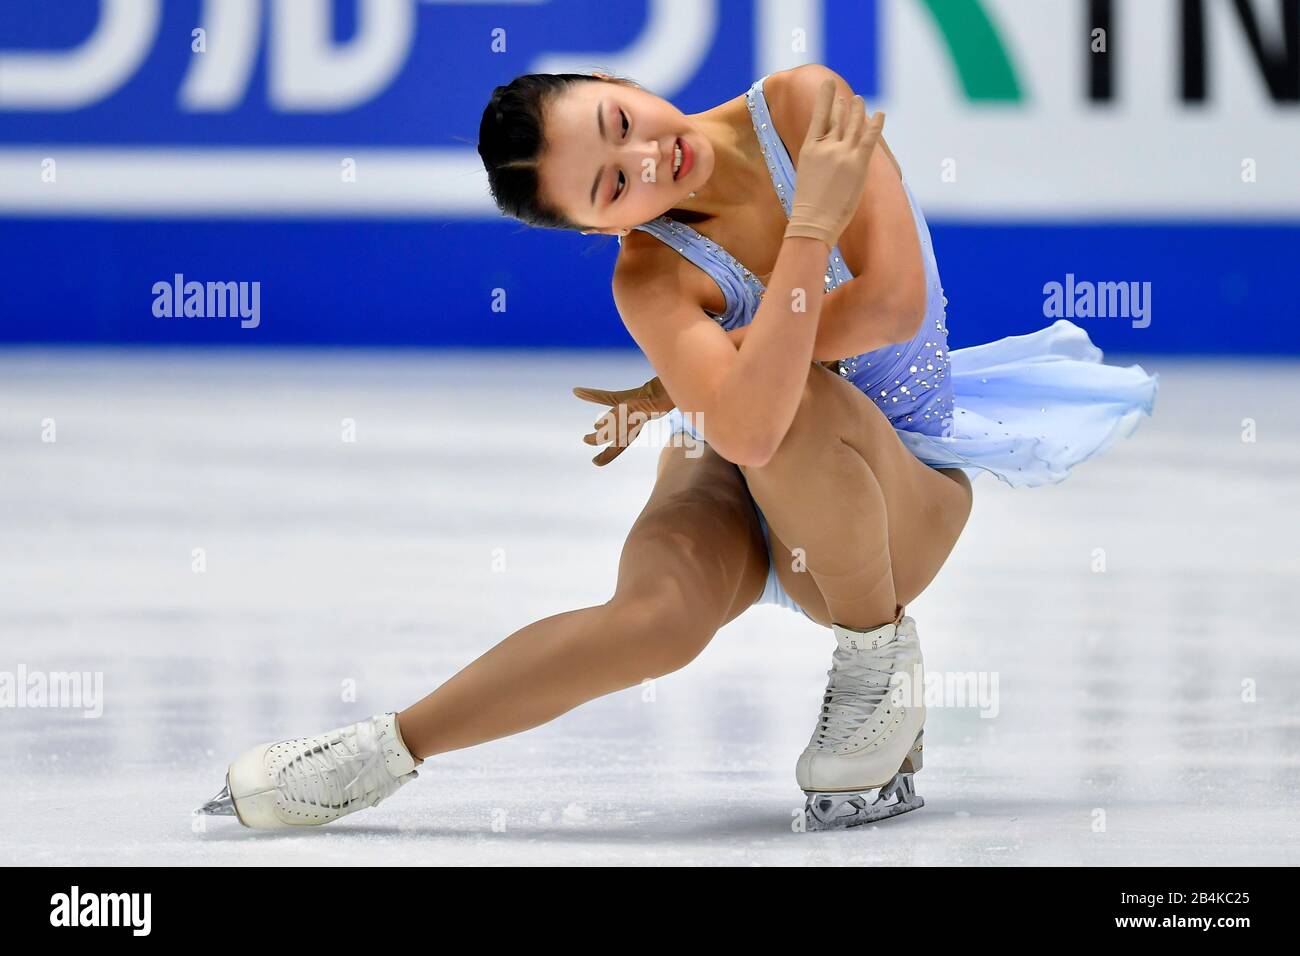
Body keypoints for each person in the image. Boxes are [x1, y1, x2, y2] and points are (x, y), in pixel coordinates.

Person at [198, 65, 1157, 831]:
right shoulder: (650, 279)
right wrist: (806, 238)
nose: (650, 159)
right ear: (597, 227)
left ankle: (875, 654)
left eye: (621, 124)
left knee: (783, 407)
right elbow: (738, 430)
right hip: (742, 466)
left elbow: (892, 304)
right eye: (613, 188)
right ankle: (381, 754)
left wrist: (714, 365)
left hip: (901, 484)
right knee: (655, 615)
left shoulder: (802, 108)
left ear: (620, 81)